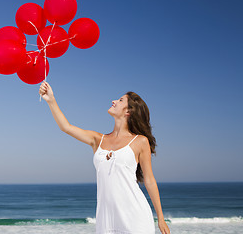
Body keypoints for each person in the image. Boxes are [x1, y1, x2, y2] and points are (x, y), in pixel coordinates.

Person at [39, 81, 170, 234]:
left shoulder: (140, 141)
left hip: (135, 217)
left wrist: (160, 218)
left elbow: (149, 180)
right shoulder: (98, 139)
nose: (114, 101)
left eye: (120, 100)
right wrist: (51, 100)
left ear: (128, 111)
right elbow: (66, 127)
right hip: (106, 219)